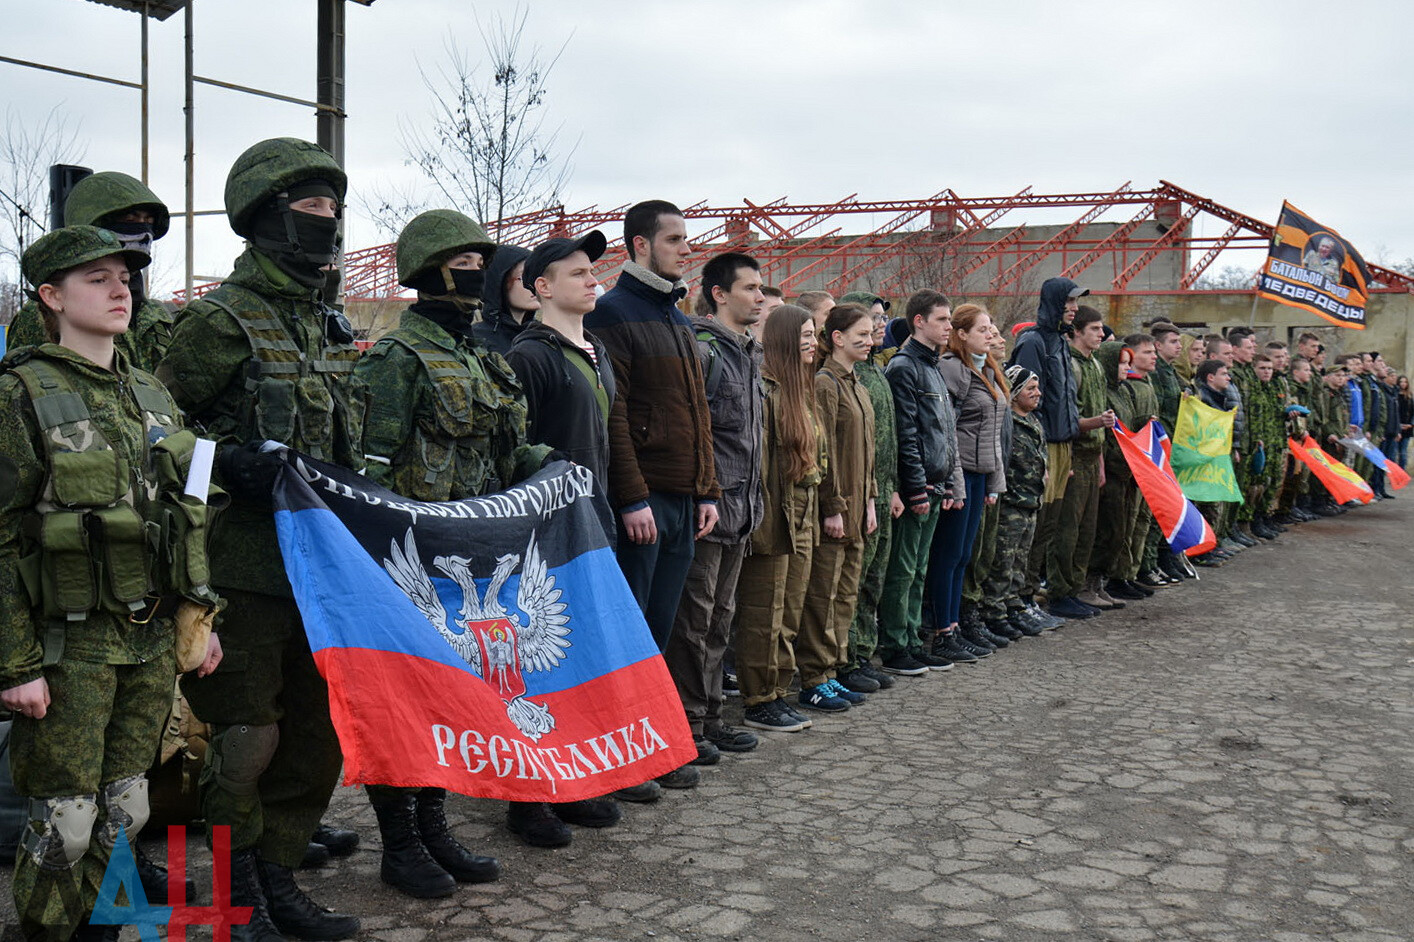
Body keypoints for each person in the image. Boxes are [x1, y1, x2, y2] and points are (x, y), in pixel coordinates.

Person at [157, 138, 364, 942]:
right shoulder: (218, 320)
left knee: (315, 740)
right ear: (267, 215)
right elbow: (157, 436)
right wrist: (225, 464)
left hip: (321, 571)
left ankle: (279, 886)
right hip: (241, 568)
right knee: (244, 741)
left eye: (334, 206)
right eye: (313, 206)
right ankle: (226, 902)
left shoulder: (327, 323)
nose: (330, 220)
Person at [0, 226, 220, 942]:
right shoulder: (21, 394)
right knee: (64, 822)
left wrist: (198, 621)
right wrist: (15, 665)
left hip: (151, 641)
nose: (120, 287)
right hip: (70, 650)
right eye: (96, 278)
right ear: (51, 296)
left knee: (127, 809)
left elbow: (186, 519)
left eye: (124, 275)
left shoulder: (152, 394)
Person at [583, 200, 718, 790]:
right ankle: (621, 752)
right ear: (639, 246)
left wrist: (706, 490)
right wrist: (633, 497)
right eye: (674, 240)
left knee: (660, 626)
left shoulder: (679, 319)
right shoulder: (611, 313)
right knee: (631, 626)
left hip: (685, 498)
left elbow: (699, 415)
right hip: (645, 500)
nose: (686, 249)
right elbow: (614, 413)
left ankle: (651, 741)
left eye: (686, 239)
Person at [665, 252, 764, 762]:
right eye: (749, 288)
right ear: (719, 294)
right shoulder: (705, 352)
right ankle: (686, 725)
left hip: (740, 511)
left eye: (761, 288)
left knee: (720, 620)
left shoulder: (748, 353)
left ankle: (707, 718)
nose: (761, 297)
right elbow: (695, 434)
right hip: (710, 510)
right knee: (694, 622)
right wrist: (704, 494)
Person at [735, 304, 820, 733]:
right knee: (762, 612)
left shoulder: (799, 388)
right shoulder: (766, 389)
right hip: (773, 511)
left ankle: (778, 691)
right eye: (805, 335)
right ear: (786, 338)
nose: (813, 343)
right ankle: (759, 697)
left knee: (789, 609)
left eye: (815, 334)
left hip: (802, 511)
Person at [876, 291, 964, 675]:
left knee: (919, 567)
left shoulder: (933, 367)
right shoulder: (905, 367)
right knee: (904, 567)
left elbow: (944, 431)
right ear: (919, 321)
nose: (949, 326)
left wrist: (946, 481)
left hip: (935, 482)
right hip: (919, 485)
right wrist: (914, 487)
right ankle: (897, 645)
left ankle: (912, 639)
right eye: (942, 320)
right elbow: (906, 433)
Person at [7, 172, 175, 371]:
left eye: (148, 221)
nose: (143, 230)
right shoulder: (42, 315)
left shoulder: (156, 315)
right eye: (130, 219)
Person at [796, 303, 877, 711]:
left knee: (846, 594)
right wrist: (833, 506)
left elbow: (868, 452)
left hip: (860, 509)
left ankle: (834, 669)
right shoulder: (826, 383)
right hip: (837, 510)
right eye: (860, 334)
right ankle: (814, 676)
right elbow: (822, 450)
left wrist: (872, 500)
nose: (869, 339)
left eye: (871, 332)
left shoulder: (858, 385)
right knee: (822, 596)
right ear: (838, 338)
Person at [506, 231, 616, 488]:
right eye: (578, 274)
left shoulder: (597, 350)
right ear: (544, 287)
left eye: (591, 272)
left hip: (597, 507)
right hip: (552, 512)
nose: (593, 282)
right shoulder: (527, 357)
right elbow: (513, 449)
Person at [1007, 277, 1087, 616]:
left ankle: (1030, 593)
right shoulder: (1033, 342)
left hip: (1062, 444)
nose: (1074, 309)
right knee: (1036, 524)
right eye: (1069, 302)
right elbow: (1026, 399)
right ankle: (1021, 598)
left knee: (1051, 523)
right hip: (1043, 446)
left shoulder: (1060, 341)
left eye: (1076, 303)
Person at [935, 304, 1010, 655]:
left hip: (980, 475)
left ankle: (956, 626)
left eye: (990, 328)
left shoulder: (987, 370)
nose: (989, 334)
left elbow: (993, 432)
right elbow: (948, 431)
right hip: (959, 474)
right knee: (949, 554)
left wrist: (995, 483)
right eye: (982, 329)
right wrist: (956, 483)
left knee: (965, 554)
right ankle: (942, 631)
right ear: (961, 334)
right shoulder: (952, 370)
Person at [1045, 306, 1116, 619]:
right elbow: (1069, 419)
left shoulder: (1095, 366)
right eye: (1095, 329)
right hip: (1073, 455)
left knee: (1087, 530)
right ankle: (1059, 591)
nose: (1101, 335)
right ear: (1077, 332)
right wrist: (1097, 422)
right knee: (1067, 530)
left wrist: (1099, 457)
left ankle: (1077, 588)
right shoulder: (1070, 366)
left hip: (1091, 456)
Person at [978, 366, 1053, 637]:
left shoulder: (1033, 421)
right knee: (1003, 561)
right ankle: (994, 611)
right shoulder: (1008, 421)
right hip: (1011, 502)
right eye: (1030, 389)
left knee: (1021, 561)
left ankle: (1015, 605)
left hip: (1030, 501)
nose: (1037, 393)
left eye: (1037, 388)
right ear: (1016, 392)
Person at [473, 243, 539, 357]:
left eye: (535, 276)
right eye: (523, 277)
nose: (533, 285)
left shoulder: (543, 335)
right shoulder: (477, 339)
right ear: (499, 283)